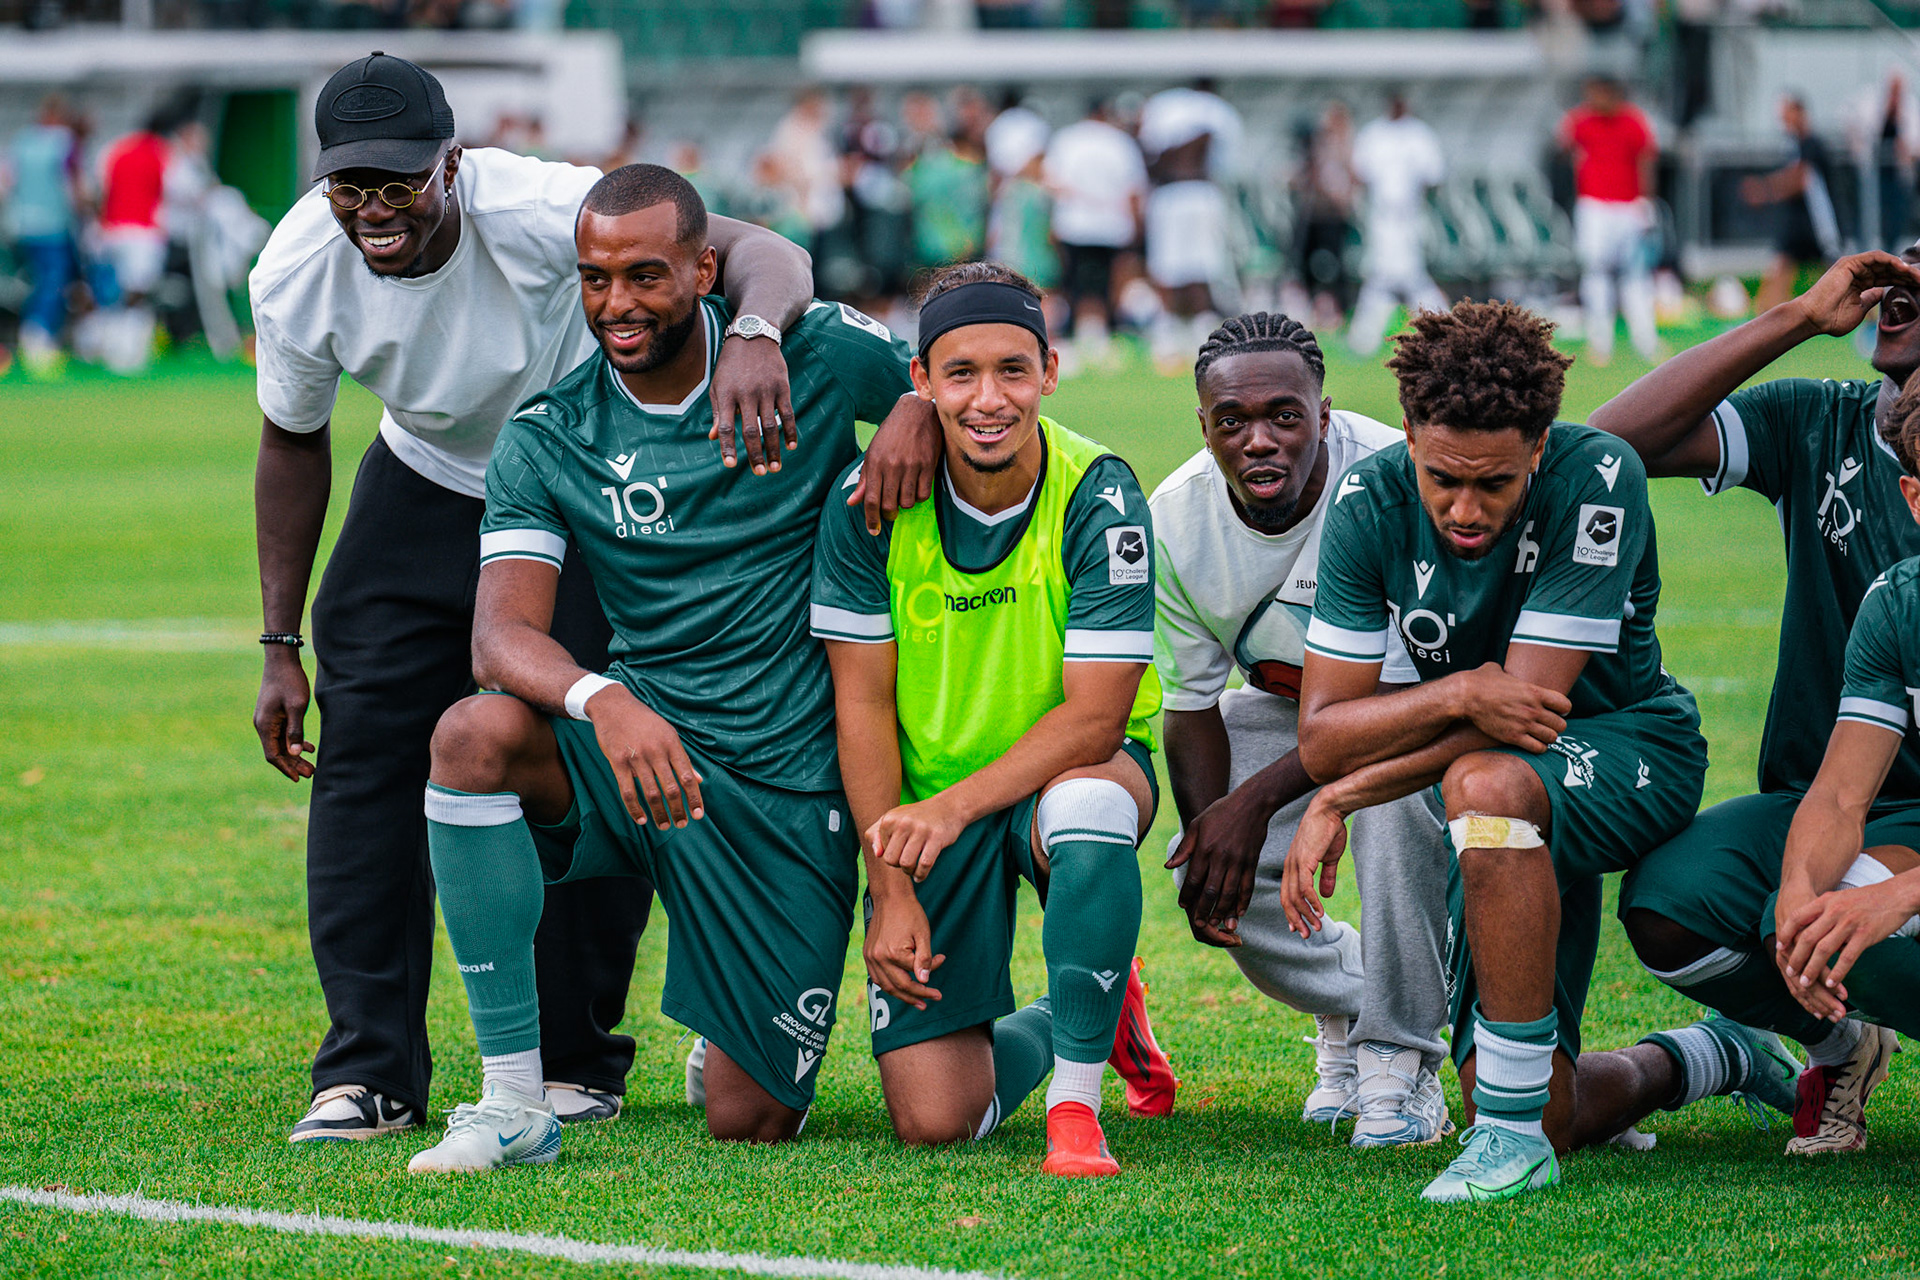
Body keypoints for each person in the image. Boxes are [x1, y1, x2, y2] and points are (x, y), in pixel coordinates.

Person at [249, 53, 931, 1146]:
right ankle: (372, 1066)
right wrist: (282, 638)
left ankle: (578, 1058)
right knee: (389, 745)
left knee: (625, 739)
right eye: (350, 187)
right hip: (444, 472)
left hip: (597, 492)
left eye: (399, 184)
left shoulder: (545, 206)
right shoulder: (294, 273)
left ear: (452, 167)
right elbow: (291, 444)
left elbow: (764, 251)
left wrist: (777, 343)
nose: (374, 209)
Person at [408, 164, 920, 1172]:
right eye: (596, 280)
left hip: (789, 778)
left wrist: (914, 407)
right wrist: (606, 702)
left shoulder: (810, 354)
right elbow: (500, 637)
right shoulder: (553, 433)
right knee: (473, 732)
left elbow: (959, 387)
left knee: (748, 1119)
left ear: (706, 269)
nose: (617, 305)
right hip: (647, 764)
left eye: (646, 276)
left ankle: (756, 1018)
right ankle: (513, 1097)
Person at [1283, 301, 1799, 1203]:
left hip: (1631, 742)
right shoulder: (1367, 504)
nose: (1464, 508)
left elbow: (1523, 714)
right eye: (1443, 477)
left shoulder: (1599, 475)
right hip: (1500, 773)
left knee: (1481, 783)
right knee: (1526, 1093)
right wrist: (1447, 695)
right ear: (1406, 433)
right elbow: (1323, 733)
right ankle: (1704, 1057)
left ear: (1539, 444)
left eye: (1494, 483)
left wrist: (1345, 795)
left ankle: (1509, 1145)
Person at [810, 262, 1178, 1176]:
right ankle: (1085, 1000)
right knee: (936, 1121)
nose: (989, 398)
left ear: (1050, 372)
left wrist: (947, 812)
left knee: (1089, 808)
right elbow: (858, 707)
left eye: (1013, 370)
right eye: (961, 372)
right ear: (921, 381)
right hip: (931, 800)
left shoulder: (1099, 492)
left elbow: (1096, 721)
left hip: (1063, 775)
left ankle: (1076, 1112)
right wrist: (889, 887)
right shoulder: (868, 508)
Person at [1593, 248, 1920, 1154]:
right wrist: (1798, 320)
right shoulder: (1823, 420)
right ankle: (1839, 1044)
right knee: (1672, 903)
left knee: (1866, 918)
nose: (1907, 281)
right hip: (1832, 792)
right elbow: (1605, 451)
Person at [1150, 313, 1453, 1147]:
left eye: (1285, 416)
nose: (1259, 441)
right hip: (1284, 706)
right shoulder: (1174, 519)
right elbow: (1192, 703)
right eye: (1232, 422)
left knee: (1390, 805)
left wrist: (1255, 805)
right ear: (1204, 427)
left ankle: (1400, 1058)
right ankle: (1353, 1008)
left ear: (1324, 416)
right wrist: (1215, 829)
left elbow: (1388, 710)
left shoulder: (1400, 474)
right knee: (1209, 871)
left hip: (1417, 710)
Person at [1761, 376, 1920, 1148]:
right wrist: (1800, 894)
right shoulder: (1898, 602)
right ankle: (1839, 1049)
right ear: (1915, 501)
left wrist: (1904, 895)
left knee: (1877, 911)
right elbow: (1839, 797)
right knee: (1822, 922)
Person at [1138, 80, 1245, 369]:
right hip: (1192, 194)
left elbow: (1152, 160)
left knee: (1195, 267)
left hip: (1185, 194)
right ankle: (1174, 334)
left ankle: (1195, 334)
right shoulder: (1210, 114)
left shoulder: (1167, 110)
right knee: (1176, 268)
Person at [1558, 76, 1659, 365]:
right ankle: (1599, 341)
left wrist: (1646, 202)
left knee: (1635, 274)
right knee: (1595, 271)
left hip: (1628, 207)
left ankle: (1645, 339)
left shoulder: (1633, 121)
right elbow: (1562, 147)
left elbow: (1646, 161)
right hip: (1594, 207)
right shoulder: (1581, 121)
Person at [1044, 99, 1147, 372]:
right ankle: (1099, 338)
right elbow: (1134, 189)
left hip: (1074, 224)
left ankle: (1080, 340)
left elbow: (1052, 183)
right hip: (1111, 226)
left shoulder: (1067, 139)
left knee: (1075, 284)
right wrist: (1137, 226)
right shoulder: (1120, 142)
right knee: (1104, 284)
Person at [1347, 95, 1447, 358]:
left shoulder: (1419, 134)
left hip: (1410, 215)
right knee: (1387, 277)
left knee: (1400, 278)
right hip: (1381, 216)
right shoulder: (1373, 134)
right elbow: (1358, 173)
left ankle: (1441, 330)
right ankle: (1442, 330)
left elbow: (1434, 177)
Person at [4, 94, 83, 375]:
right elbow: (72, 183)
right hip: (52, 224)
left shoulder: (21, 141)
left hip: (22, 224)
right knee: (54, 281)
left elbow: (6, 181)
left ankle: (36, 334)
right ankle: (38, 335)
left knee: (39, 280)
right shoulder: (63, 142)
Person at [1743, 95, 1841, 314]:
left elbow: (1799, 179)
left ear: (1800, 113)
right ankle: (1765, 322)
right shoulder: (1794, 147)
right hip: (1797, 224)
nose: (1784, 122)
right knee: (1779, 268)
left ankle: (1872, 317)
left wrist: (1765, 190)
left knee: (1839, 273)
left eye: (1787, 115)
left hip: (1818, 226)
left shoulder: (1812, 145)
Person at [94, 109, 173, 375]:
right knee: (137, 292)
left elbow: (102, 187)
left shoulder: (117, 149)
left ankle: (115, 346)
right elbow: (169, 190)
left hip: (113, 228)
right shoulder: (160, 152)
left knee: (116, 291)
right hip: (143, 231)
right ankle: (126, 349)